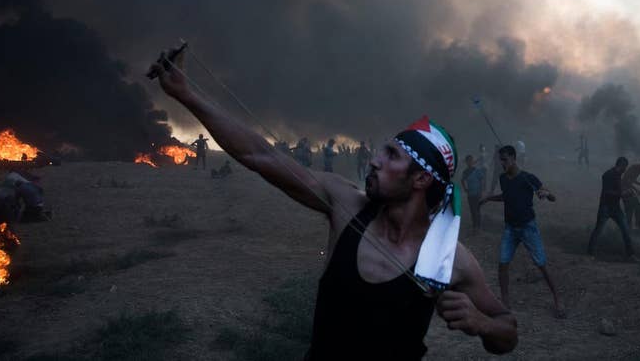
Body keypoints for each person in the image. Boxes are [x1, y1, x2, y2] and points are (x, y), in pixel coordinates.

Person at [149, 53, 517, 358]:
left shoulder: (447, 257)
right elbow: (259, 153)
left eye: (391, 156)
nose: (374, 161)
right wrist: (187, 94)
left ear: (421, 179)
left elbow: (508, 332)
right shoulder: (347, 207)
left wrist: (483, 324)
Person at [480, 145, 564, 318]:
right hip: (510, 228)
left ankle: (557, 299)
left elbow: (552, 196)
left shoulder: (528, 178)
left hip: (528, 227)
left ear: (513, 158)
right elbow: (507, 196)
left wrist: (545, 194)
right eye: (500, 160)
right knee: (503, 263)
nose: (502, 163)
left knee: (541, 264)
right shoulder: (503, 178)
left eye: (505, 159)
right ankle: (505, 303)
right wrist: (489, 198)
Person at [587, 157, 636, 260]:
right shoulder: (608, 175)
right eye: (624, 167)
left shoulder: (618, 175)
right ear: (621, 165)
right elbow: (607, 192)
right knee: (598, 230)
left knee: (625, 230)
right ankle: (590, 253)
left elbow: (617, 190)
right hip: (605, 207)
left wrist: (625, 193)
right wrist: (622, 194)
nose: (625, 170)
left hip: (615, 207)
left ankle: (630, 255)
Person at [460, 155, 486, 233]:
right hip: (470, 193)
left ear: (473, 161)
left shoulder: (477, 170)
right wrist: (465, 189)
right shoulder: (465, 172)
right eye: (468, 161)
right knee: (472, 210)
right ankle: (475, 226)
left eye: (471, 161)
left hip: (477, 193)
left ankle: (478, 226)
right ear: (466, 162)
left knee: (477, 210)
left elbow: (482, 180)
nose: (470, 162)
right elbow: (462, 180)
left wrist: (481, 191)